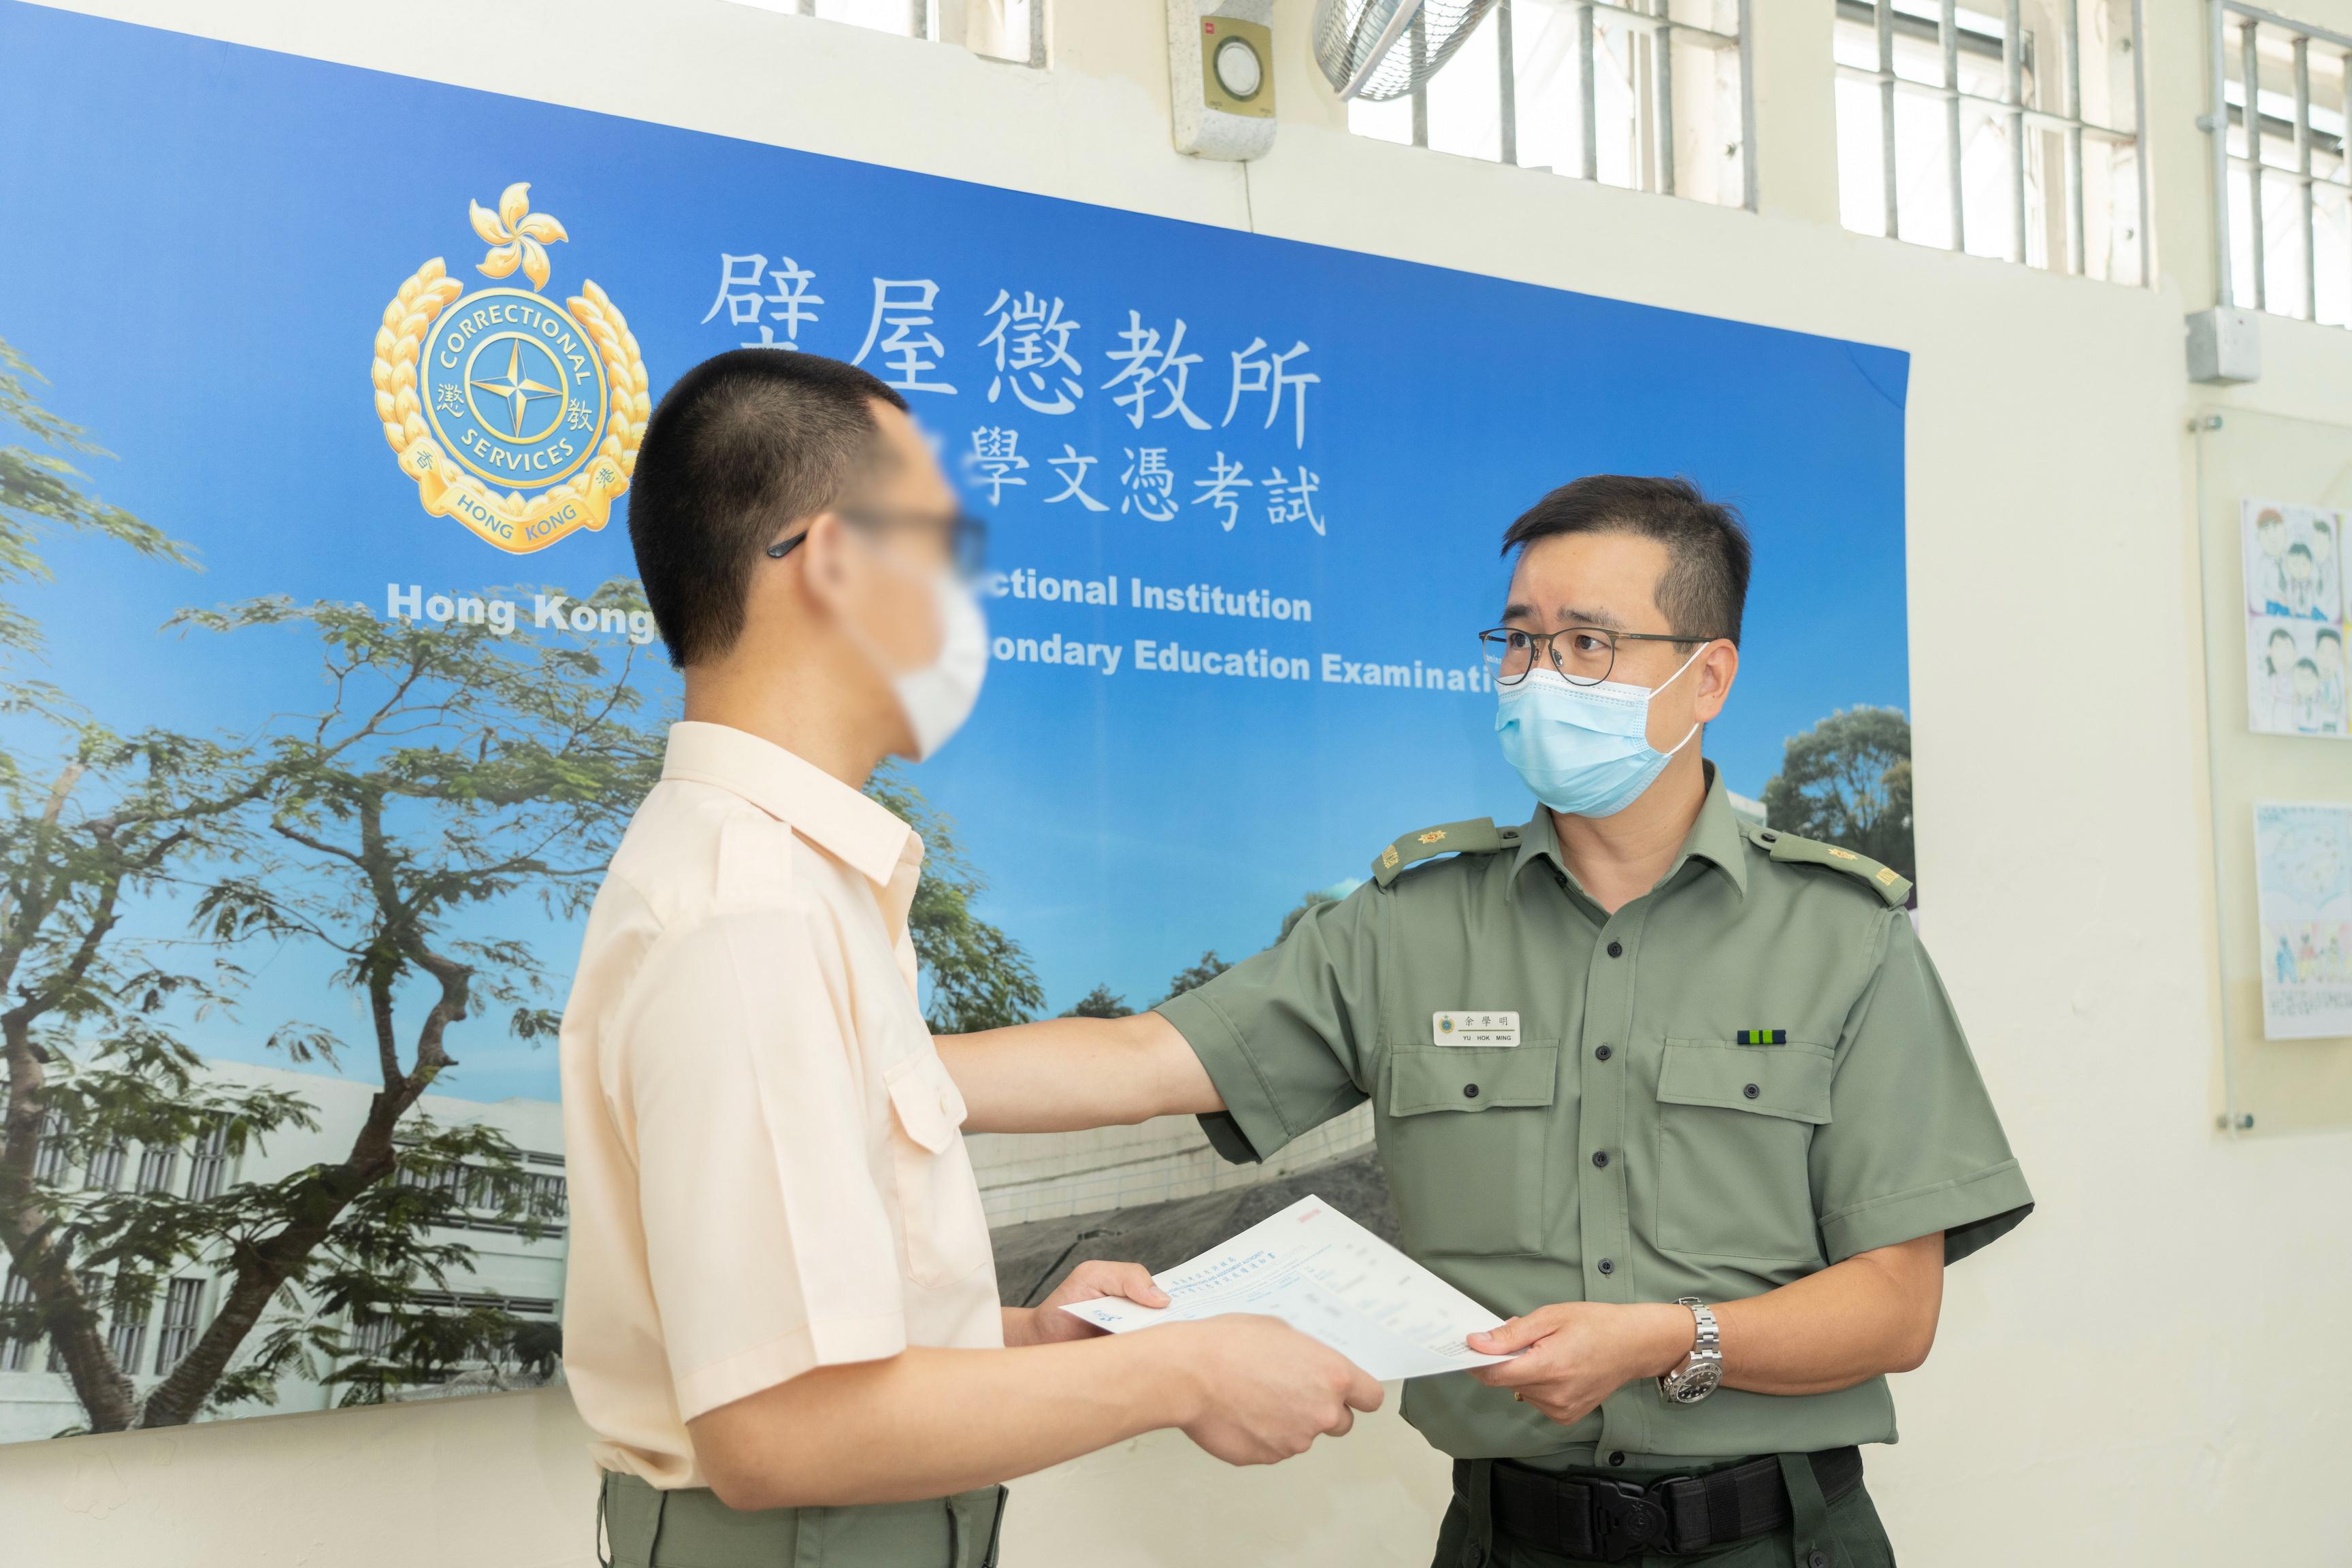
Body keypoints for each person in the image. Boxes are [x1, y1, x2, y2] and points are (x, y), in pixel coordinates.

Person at [940, 475, 2034, 1568]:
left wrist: (1667, 1339)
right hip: (1508, 1540)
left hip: (1779, 1540)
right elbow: (1136, 1061)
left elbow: (1897, 1309)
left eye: (1589, 645)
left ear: (1707, 679)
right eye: (1519, 643)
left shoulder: (1842, 935)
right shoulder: (1407, 923)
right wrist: (857, 1057)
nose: (1541, 676)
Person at [557, 350, 1382, 1568]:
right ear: (835, 560)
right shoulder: (753, 918)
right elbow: (780, 1429)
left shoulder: (799, 887)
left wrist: (1018, 1338)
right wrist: (1183, 1371)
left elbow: (806, 1325)